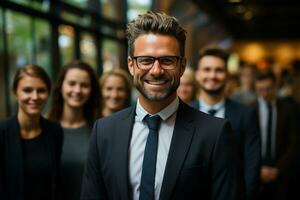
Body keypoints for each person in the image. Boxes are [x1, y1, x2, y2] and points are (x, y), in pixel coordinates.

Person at [81, 11, 243, 200]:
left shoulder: (214, 134)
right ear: (131, 65)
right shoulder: (104, 131)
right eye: (146, 60)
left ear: (182, 65)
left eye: (167, 60)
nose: (156, 71)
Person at [190, 46, 261, 200]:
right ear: (197, 74)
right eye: (207, 69)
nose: (213, 75)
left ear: (227, 75)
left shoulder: (246, 115)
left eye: (219, 70)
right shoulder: (184, 113)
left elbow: (252, 166)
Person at [0, 64, 63, 200]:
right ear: (15, 92)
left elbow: (55, 183)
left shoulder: (55, 131)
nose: (35, 97)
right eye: (27, 90)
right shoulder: (2, 132)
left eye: (41, 90)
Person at [47, 60, 101, 200]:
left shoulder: (101, 130)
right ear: (61, 86)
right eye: (72, 83)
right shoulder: (44, 128)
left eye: (84, 85)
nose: (77, 90)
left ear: (92, 90)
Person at [253, 70, 298, 200]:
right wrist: (258, 168)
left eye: (269, 89)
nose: (265, 93)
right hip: (257, 169)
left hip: (282, 170)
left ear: (275, 86)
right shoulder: (249, 109)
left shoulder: (289, 109)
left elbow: (293, 142)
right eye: (261, 90)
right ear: (256, 88)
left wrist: (278, 169)